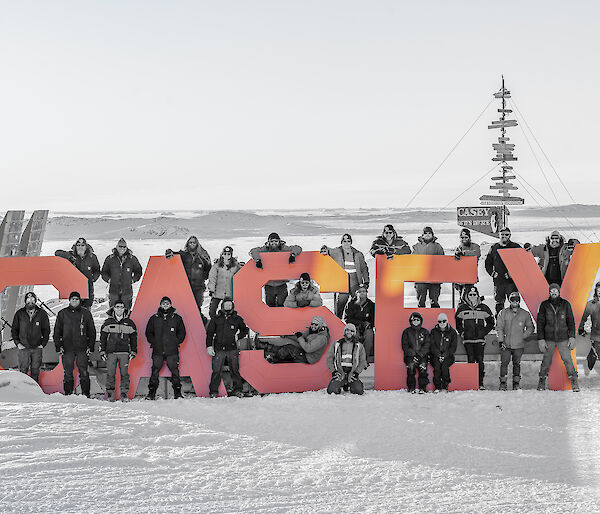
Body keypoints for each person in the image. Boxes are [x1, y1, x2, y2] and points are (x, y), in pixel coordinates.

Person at [537, 283, 579, 392]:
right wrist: (541, 339)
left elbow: (571, 322)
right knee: (546, 361)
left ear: (559, 292)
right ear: (549, 293)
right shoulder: (544, 305)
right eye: (552, 291)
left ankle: (574, 381)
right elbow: (540, 323)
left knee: (568, 360)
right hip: (549, 339)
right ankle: (542, 380)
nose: (554, 293)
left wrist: (572, 337)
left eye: (555, 291)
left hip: (563, 339)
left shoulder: (566, 304)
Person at [53, 291, 96, 397]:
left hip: (82, 347)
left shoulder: (85, 313)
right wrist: (58, 346)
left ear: (79, 300)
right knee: (68, 372)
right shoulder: (62, 313)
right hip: (67, 348)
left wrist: (91, 346)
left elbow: (91, 330)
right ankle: (68, 393)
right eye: (73, 299)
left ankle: (86, 394)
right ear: (69, 300)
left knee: (84, 372)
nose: (75, 301)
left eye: (77, 299)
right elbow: (57, 331)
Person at [145, 296, 186, 400]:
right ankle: (151, 393)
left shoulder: (177, 318)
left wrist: (176, 341)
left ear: (171, 304)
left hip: (172, 350)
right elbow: (148, 332)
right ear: (160, 305)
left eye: (167, 303)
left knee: (175, 371)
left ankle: (177, 393)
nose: (165, 305)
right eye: (163, 303)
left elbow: (182, 332)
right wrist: (153, 341)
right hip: (158, 350)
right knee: (155, 371)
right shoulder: (154, 318)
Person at [205, 298, 248, 398]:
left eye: (229, 305)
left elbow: (244, 330)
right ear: (222, 306)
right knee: (216, 371)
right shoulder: (216, 319)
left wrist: (239, 336)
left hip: (232, 349)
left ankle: (238, 390)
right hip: (219, 349)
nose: (228, 307)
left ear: (232, 306)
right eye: (226, 305)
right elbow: (210, 333)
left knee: (235, 370)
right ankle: (213, 392)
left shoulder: (237, 319)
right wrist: (209, 346)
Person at [455, 285, 495, 390]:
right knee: (471, 361)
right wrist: (462, 333)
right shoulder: (462, 308)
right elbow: (457, 323)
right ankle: (472, 383)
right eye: (470, 294)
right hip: (468, 340)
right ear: (467, 296)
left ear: (477, 296)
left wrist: (484, 332)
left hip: (480, 340)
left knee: (480, 361)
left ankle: (480, 383)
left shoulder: (484, 307)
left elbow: (491, 322)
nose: (472, 296)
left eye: (474, 294)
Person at [320, 234, 369, 317]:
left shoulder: (358, 254)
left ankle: (356, 321)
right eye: (344, 241)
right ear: (341, 242)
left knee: (357, 302)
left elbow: (364, 268)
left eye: (348, 241)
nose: (346, 243)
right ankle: (337, 320)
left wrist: (366, 281)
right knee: (342, 301)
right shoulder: (337, 251)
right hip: (343, 280)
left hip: (355, 280)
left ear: (351, 242)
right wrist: (324, 248)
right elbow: (328, 250)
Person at [249, 232, 302, 307]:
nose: (274, 243)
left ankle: (282, 318)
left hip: (281, 284)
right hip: (269, 284)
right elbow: (253, 251)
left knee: (282, 304)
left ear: (279, 241)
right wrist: (258, 260)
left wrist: (293, 255)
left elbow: (298, 248)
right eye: (272, 241)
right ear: (269, 242)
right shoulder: (265, 249)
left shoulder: (284, 249)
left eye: (276, 241)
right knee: (270, 305)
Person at [99, 299, 137, 402]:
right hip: (111, 352)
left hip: (124, 353)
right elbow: (102, 338)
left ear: (124, 308)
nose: (119, 309)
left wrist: (133, 351)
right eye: (117, 307)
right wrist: (102, 351)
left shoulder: (129, 323)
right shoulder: (107, 322)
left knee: (124, 374)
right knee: (110, 374)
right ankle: (110, 395)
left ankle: (124, 394)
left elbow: (134, 339)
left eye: (121, 307)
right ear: (113, 308)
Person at [496, 292, 535, 391]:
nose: (515, 302)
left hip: (518, 344)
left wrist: (523, 335)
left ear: (519, 301)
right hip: (506, 344)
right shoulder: (503, 313)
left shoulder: (525, 314)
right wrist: (501, 341)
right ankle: (503, 383)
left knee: (517, 364)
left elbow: (530, 327)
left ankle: (516, 383)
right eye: (512, 300)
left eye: (517, 300)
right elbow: (499, 327)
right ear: (509, 301)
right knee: (504, 363)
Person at [11, 291, 50, 384]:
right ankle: (23, 392)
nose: (30, 301)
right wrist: (18, 343)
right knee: (23, 371)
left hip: (37, 348)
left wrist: (42, 344)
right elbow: (14, 330)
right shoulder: (19, 313)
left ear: (35, 300)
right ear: (25, 301)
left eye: (32, 299)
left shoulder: (42, 313)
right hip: (23, 348)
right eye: (28, 299)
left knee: (35, 371)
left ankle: (34, 392)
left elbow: (46, 330)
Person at [166, 236, 212, 312]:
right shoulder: (183, 254)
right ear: (187, 243)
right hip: (186, 286)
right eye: (190, 242)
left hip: (198, 287)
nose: (192, 244)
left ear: (197, 244)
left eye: (194, 242)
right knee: (185, 307)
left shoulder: (202, 255)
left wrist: (203, 277)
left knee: (197, 307)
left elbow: (208, 267)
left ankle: (199, 322)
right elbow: (174, 255)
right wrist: (169, 252)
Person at [258, 315, 329, 364]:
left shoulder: (322, 338)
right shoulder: (312, 331)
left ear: (320, 326)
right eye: (312, 324)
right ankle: (266, 347)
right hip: (304, 350)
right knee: (288, 345)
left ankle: (274, 358)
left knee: (290, 348)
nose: (313, 326)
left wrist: (300, 337)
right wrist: (288, 336)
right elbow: (300, 337)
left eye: (316, 325)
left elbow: (308, 348)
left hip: (309, 357)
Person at [484, 227, 522, 315]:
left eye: (506, 234)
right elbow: (488, 263)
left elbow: (522, 263)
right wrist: (492, 273)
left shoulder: (515, 247)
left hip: (511, 282)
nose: (504, 236)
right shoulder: (494, 248)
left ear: (510, 235)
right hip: (499, 281)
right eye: (502, 234)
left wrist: (513, 273)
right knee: (499, 303)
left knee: (514, 301)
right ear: (499, 235)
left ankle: (516, 322)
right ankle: (500, 322)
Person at [55, 237, 101, 308]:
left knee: (87, 309)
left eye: (82, 245)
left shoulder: (92, 257)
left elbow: (97, 270)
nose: (80, 247)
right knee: (75, 309)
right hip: (75, 287)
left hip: (88, 287)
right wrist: (69, 257)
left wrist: (93, 278)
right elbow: (57, 253)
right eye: (78, 245)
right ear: (75, 247)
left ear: (86, 247)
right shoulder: (72, 255)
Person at [101, 238, 143, 310]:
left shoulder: (132, 259)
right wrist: (108, 280)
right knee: (113, 311)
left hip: (127, 291)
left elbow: (138, 271)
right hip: (113, 291)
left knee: (126, 311)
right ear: (116, 247)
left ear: (127, 248)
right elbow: (104, 272)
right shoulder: (110, 259)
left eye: (124, 247)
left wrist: (133, 280)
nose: (122, 248)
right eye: (120, 246)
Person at [326, 323, 368, 395]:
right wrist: (333, 371)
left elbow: (362, 361)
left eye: (351, 331)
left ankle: (351, 384)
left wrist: (356, 373)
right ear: (344, 332)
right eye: (347, 330)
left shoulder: (359, 346)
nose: (349, 332)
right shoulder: (336, 344)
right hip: (340, 373)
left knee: (359, 391)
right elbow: (329, 358)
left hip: (352, 373)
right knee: (332, 391)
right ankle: (342, 383)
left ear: (354, 333)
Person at [412, 226, 445, 308]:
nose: (427, 235)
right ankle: (419, 318)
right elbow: (413, 260)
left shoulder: (438, 246)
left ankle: (435, 317)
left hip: (435, 278)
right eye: (425, 233)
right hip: (420, 277)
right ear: (422, 235)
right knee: (421, 300)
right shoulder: (417, 246)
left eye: (429, 233)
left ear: (432, 235)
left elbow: (442, 260)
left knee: (434, 300)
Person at [207, 246, 242, 319]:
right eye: (225, 253)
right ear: (222, 254)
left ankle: (226, 325)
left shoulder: (235, 265)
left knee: (227, 311)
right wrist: (211, 289)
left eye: (228, 254)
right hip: (217, 292)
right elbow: (212, 277)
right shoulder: (217, 265)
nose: (226, 255)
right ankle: (215, 323)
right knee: (212, 310)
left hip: (229, 293)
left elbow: (240, 275)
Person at [343, 283, 375, 359]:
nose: (362, 293)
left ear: (367, 293)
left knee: (369, 336)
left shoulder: (371, 304)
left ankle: (365, 358)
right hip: (355, 326)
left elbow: (374, 319)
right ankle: (354, 357)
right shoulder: (351, 304)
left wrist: (369, 324)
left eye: (364, 291)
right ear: (356, 293)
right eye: (360, 291)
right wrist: (360, 323)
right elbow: (347, 318)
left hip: (366, 327)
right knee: (354, 336)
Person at [401, 312, 430, 393]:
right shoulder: (407, 332)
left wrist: (420, 354)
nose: (416, 321)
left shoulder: (425, 332)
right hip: (410, 356)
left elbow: (427, 344)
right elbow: (405, 345)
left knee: (423, 371)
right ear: (411, 321)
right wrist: (413, 354)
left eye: (418, 320)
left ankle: (422, 388)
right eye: (414, 320)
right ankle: (411, 388)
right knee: (410, 371)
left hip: (422, 356)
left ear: (420, 321)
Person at [429, 313, 458, 392]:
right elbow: (432, 345)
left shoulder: (452, 332)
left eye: (444, 321)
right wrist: (438, 354)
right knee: (437, 367)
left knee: (444, 367)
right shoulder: (433, 332)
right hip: (435, 355)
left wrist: (445, 355)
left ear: (447, 321)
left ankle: (445, 386)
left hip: (448, 356)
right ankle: (437, 386)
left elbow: (453, 347)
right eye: (440, 321)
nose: (442, 323)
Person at [453, 228, 481, 300]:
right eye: (462, 237)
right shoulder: (459, 248)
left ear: (469, 238)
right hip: (460, 278)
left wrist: (464, 253)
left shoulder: (475, 246)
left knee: (467, 296)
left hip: (470, 276)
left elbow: (476, 254)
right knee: (462, 298)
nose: (464, 239)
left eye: (466, 237)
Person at [578, 282, 600, 372]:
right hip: (596, 335)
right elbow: (583, 317)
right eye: (598, 290)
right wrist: (581, 329)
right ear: (596, 291)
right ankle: (593, 353)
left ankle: (593, 352)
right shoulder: (591, 304)